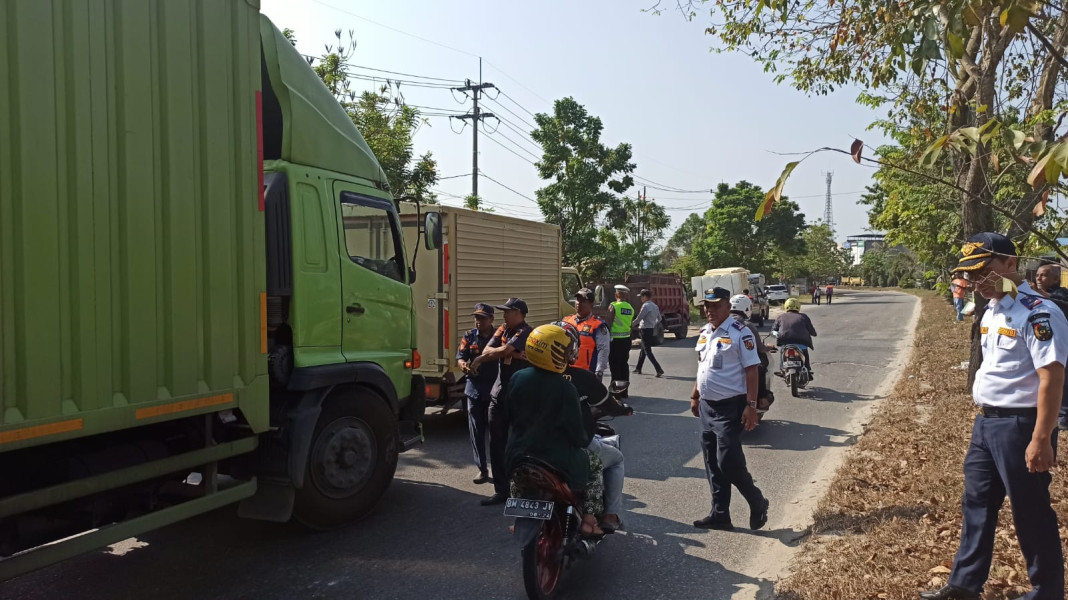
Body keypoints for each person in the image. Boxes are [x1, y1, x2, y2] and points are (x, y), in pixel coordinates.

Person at [921, 233, 1068, 600]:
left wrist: (1040, 438)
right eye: (971, 275)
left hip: (1022, 426)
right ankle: (964, 585)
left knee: (1030, 512)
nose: (977, 282)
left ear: (1010, 265)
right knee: (976, 505)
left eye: (984, 272)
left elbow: (1052, 377)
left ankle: (1047, 592)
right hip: (987, 423)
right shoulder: (993, 308)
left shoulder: (1039, 312)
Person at [505, 323, 605, 536]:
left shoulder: (517, 378)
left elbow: (510, 417)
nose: (569, 354)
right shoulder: (564, 388)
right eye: (565, 350)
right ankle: (589, 520)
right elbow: (577, 436)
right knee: (595, 465)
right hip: (555, 457)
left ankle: (520, 518)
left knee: (518, 478)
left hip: (519, 454)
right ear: (554, 353)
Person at [690, 287, 769, 531]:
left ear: (727, 306)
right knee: (712, 463)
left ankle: (757, 501)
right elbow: (703, 367)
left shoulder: (739, 333)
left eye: (715, 305)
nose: (709, 310)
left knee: (729, 463)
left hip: (730, 408)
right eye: (706, 306)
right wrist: (695, 395)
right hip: (707, 407)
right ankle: (720, 514)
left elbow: (752, 370)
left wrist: (752, 405)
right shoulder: (705, 332)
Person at [470, 297, 533, 506]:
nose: (504, 315)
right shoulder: (503, 329)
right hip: (498, 394)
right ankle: (501, 490)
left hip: (519, 396)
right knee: (496, 443)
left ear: (520, 314)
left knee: (518, 444)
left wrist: (506, 351)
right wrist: (514, 352)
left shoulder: (525, 331)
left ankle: (520, 488)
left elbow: (502, 351)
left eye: (508, 311)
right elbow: (487, 350)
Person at [456, 303, 499, 485]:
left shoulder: (499, 337)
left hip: (494, 390)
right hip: (473, 390)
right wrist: (463, 365)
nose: (478, 321)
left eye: (482, 318)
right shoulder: (469, 336)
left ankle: (499, 470)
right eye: (476, 317)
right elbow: (459, 356)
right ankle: (482, 469)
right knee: (476, 431)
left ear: (491, 319)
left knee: (497, 433)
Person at [1033, 263, 1068, 431]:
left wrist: (1040, 293)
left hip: (1063, 344)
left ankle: (1063, 417)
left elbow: (1060, 302)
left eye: (1043, 275)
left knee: (1063, 380)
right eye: (1038, 275)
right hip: (1047, 343)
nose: (1039, 278)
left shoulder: (1060, 293)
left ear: (1055, 279)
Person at [729, 294, 773, 411]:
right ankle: (761, 398)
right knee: (762, 366)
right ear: (747, 308)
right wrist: (767, 348)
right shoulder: (747, 326)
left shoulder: (720, 324)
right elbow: (759, 347)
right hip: (742, 363)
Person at [562, 288, 610, 381]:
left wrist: (599, 371)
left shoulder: (598, 325)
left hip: (587, 373)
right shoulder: (567, 320)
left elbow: (603, 350)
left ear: (591, 304)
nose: (578, 303)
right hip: (566, 371)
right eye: (577, 300)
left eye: (583, 301)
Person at [772, 298, 817, 378]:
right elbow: (811, 330)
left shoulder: (780, 317)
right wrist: (814, 334)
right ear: (798, 306)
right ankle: (807, 369)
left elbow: (773, 331)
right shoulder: (804, 317)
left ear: (786, 306)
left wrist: (777, 335)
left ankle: (782, 369)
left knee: (783, 352)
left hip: (785, 343)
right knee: (805, 353)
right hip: (801, 343)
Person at [633, 289, 665, 377]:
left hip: (644, 329)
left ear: (645, 296)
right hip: (650, 329)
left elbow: (639, 318)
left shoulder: (645, 306)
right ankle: (638, 368)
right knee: (643, 349)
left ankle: (658, 369)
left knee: (647, 350)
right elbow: (660, 319)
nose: (641, 299)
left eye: (642, 297)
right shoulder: (655, 306)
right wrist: (653, 324)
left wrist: (631, 325)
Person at [608, 284, 635, 386]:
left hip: (615, 341)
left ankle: (616, 391)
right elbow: (630, 324)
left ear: (617, 294)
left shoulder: (613, 306)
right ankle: (624, 391)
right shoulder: (630, 308)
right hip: (626, 340)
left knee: (615, 366)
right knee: (624, 365)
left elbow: (609, 323)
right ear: (626, 296)